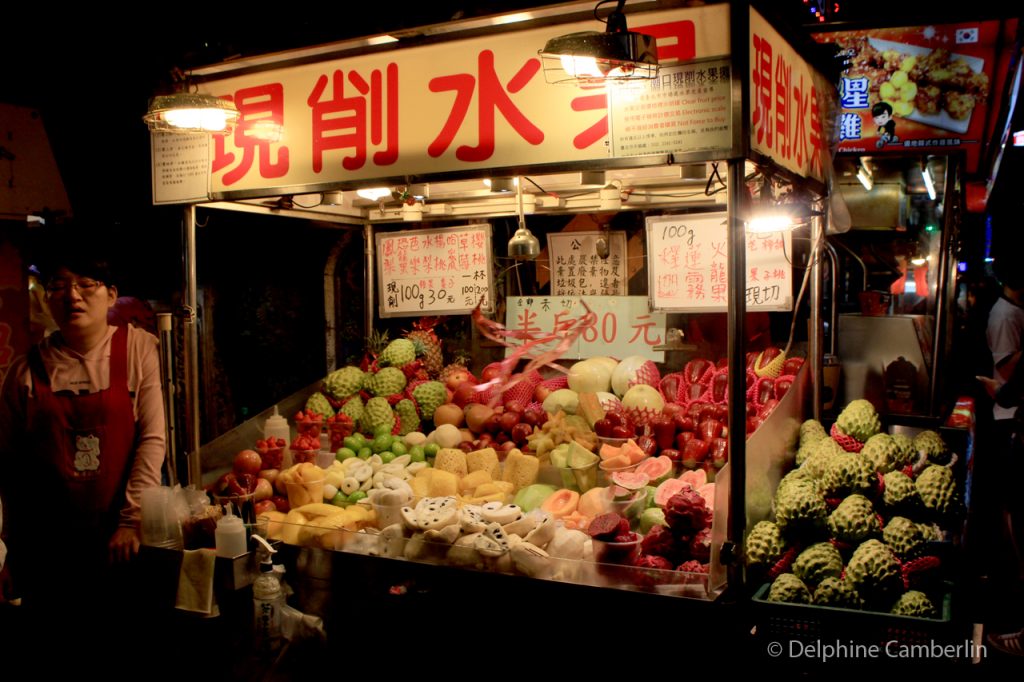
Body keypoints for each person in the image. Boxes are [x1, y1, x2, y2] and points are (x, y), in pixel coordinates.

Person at [0, 237, 165, 620]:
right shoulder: (24, 371)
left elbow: (153, 439)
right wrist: (14, 552)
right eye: (58, 286)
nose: (72, 296)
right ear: (46, 298)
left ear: (111, 295)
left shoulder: (137, 349)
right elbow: (11, 470)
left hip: (120, 543)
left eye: (86, 284)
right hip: (48, 551)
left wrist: (132, 519)